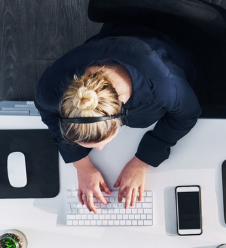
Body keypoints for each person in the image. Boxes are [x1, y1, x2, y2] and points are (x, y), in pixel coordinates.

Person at [35, 24, 201, 213]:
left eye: (101, 142)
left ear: (122, 115)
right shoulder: (50, 88)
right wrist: (81, 164)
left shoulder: (164, 87)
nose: (99, 149)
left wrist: (142, 161)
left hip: (172, 42)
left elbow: (188, 114)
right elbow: (48, 113)